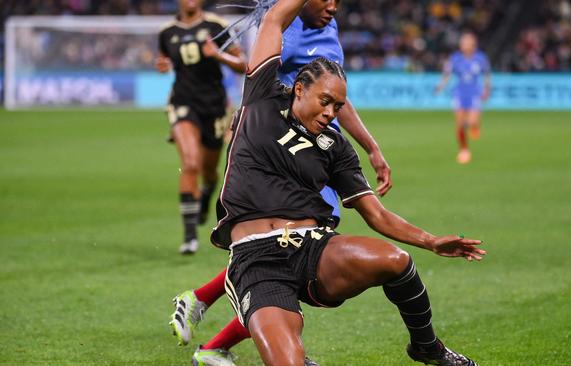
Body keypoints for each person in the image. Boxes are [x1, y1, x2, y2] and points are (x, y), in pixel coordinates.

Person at [178, 0, 486, 365]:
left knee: (396, 261)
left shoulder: (335, 146)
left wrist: (431, 241)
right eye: (325, 102)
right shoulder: (260, 97)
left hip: (312, 249)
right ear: (298, 89)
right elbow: (276, 17)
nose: (330, 114)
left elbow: (377, 215)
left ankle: (426, 347)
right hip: (257, 260)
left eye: (338, 108)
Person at [168, 1, 394, 364]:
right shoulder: (286, 28)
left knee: (288, 249)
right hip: (288, 155)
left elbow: (338, 97)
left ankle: (206, 318)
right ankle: (213, 333)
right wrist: (244, 119)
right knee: (290, 252)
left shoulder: (326, 29)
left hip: (321, 154)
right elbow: (256, 74)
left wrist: (370, 145)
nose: (333, 7)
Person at [156, 0, 247, 254]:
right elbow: (165, 60)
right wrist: (163, 66)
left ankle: (207, 192)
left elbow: (243, 64)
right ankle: (189, 237)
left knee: (208, 171)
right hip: (182, 102)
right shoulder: (167, 32)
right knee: (191, 163)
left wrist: (219, 55)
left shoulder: (216, 26)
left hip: (214, 106)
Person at [435, 32, 491, 164]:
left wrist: (487, 90)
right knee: (460, 124)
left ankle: (474, 126)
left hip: (475, 93)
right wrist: (441, 86)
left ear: (473, 44)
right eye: (462, 43)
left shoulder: (480, 58)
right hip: (459, 93)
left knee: (471, 122)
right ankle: (464, 150)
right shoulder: (455, 58)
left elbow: (487, 74)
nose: (464, 45)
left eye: (467, 42)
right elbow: (447, 74)